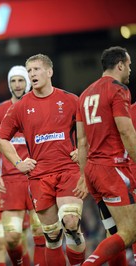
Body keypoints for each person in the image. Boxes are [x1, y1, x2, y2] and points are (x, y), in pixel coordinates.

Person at [0, 54, 86, 266]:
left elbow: (89, 131)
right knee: (52, 236)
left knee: (71, 222)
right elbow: (1, 138)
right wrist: (19, 163)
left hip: (68, 171)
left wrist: (83, 151)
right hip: (39, 176)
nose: (32, 74)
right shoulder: (20, 106)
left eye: (36, 69)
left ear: (49, 71)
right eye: (29, 71)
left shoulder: (71, 100)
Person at [76, 46, 136, 265]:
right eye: (129, 65)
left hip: (93, 172)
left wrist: (84, 176)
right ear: (120, 64)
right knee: (130, 232)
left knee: (114, 233)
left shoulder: (84, 95)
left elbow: (81, 142)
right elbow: (126, 131)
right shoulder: (118, 90)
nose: (130, 69)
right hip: (113, 169)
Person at [0, 65, 46, 266]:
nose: (17, 85)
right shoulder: (0, 111)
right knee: (10, 239)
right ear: (9, 84)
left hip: (36, 178)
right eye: (13, 81)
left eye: (20, 80)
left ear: (27, 82)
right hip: (10, 183)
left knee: (42, 234)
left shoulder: (40, 107)